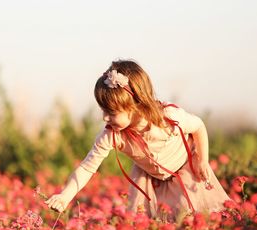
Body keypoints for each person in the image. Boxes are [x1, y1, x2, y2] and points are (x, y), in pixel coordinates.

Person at [45, 59, 231, 220]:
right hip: (151, 181)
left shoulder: (168, 118)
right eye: (103, 111)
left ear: (135, 105)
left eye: (111, 113)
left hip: (187, 168)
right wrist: (65, 196)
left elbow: (198, 126)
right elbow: (87, 167)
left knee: (196, 216)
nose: (104, 118)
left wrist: (203, 160)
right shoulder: (112, 135)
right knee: (161, 224)